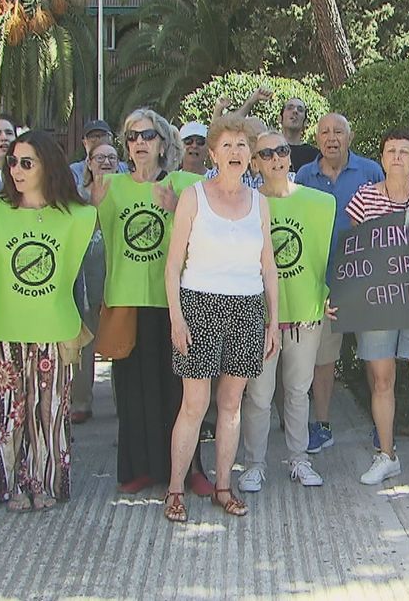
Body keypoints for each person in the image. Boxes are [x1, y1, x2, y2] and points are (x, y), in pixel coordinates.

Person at [0, 131, 96, 510]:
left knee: (51, 411)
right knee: (6, 412)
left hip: (53, 329)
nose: (17, 170)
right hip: (1, 327)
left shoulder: (77, 215)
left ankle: (47, 482)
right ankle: (9, 485)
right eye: (12, 162)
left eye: (27, 163)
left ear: (48, 166)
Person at [163, 114, 278, 522]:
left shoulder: (259, 202)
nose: (235, 152)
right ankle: (175, 488)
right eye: (226, 145)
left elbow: (268, 267)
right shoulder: (194, 196)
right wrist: (177, 319)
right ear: (212, 153)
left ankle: (223, 486)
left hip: (246, 308)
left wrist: (272, 321)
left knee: (231, 405)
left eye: (241, 145)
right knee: (194, 405)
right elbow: (173, 263)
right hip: (200, 304)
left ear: (251, 155)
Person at [88, 108, 205, 495]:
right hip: (127, 301)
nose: (140, 143)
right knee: (132, 392)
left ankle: (190, 471)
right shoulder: (110, 186)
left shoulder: (185, 183)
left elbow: (211, 230)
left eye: (148, 135)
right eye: (133, 136)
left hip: (174, 302)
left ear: (163, 143)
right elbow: (83, 233)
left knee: (181, 392)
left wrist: (177, 209)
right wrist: (91, 204)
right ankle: (137, 468)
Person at [343, 128, 409, 490]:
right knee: (382, 380)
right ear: (382, 158)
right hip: (378, 305)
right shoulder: (363, 199)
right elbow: (355, 254)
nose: (397, 157)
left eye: (404, 152)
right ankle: (387, 456)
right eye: (390, 151)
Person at [239, 130, 334, 492]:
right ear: (255, 163)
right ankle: (254, 464)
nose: (276, 157)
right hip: (260, 317)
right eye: (266, 153)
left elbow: (326, 259)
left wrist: (327, 294)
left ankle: (299, 458)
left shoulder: (320, 203)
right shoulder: (245, 204)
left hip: (305, 313)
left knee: (298, 390)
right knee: (259, 395)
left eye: (282, 150)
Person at [294, 112, 384, 453]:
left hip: (365, 282)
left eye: (338, 132)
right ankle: (322, 425)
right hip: (321, 283)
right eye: (325, 132)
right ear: (316, 138)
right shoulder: (305, 175)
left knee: (375, 358)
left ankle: (381, 425)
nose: (331, 138)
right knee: (323, 360)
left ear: (350, 136)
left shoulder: (370, 171)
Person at [70, 143, 120, 424]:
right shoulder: (78, 195)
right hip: (86, 279)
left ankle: (122, 404)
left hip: (119, 279)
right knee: (85, 344)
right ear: (88, 162)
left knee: (120, 345)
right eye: (99, 158)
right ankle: (81, 401)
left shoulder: (126, 191)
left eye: (111, 158)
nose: (105, 162)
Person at [280, 98, 319, 173]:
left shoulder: (315, 156)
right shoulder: (269, 150)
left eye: (300, 110)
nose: (295, 111)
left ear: (305, 122)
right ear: (280, 118)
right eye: (290, 108)